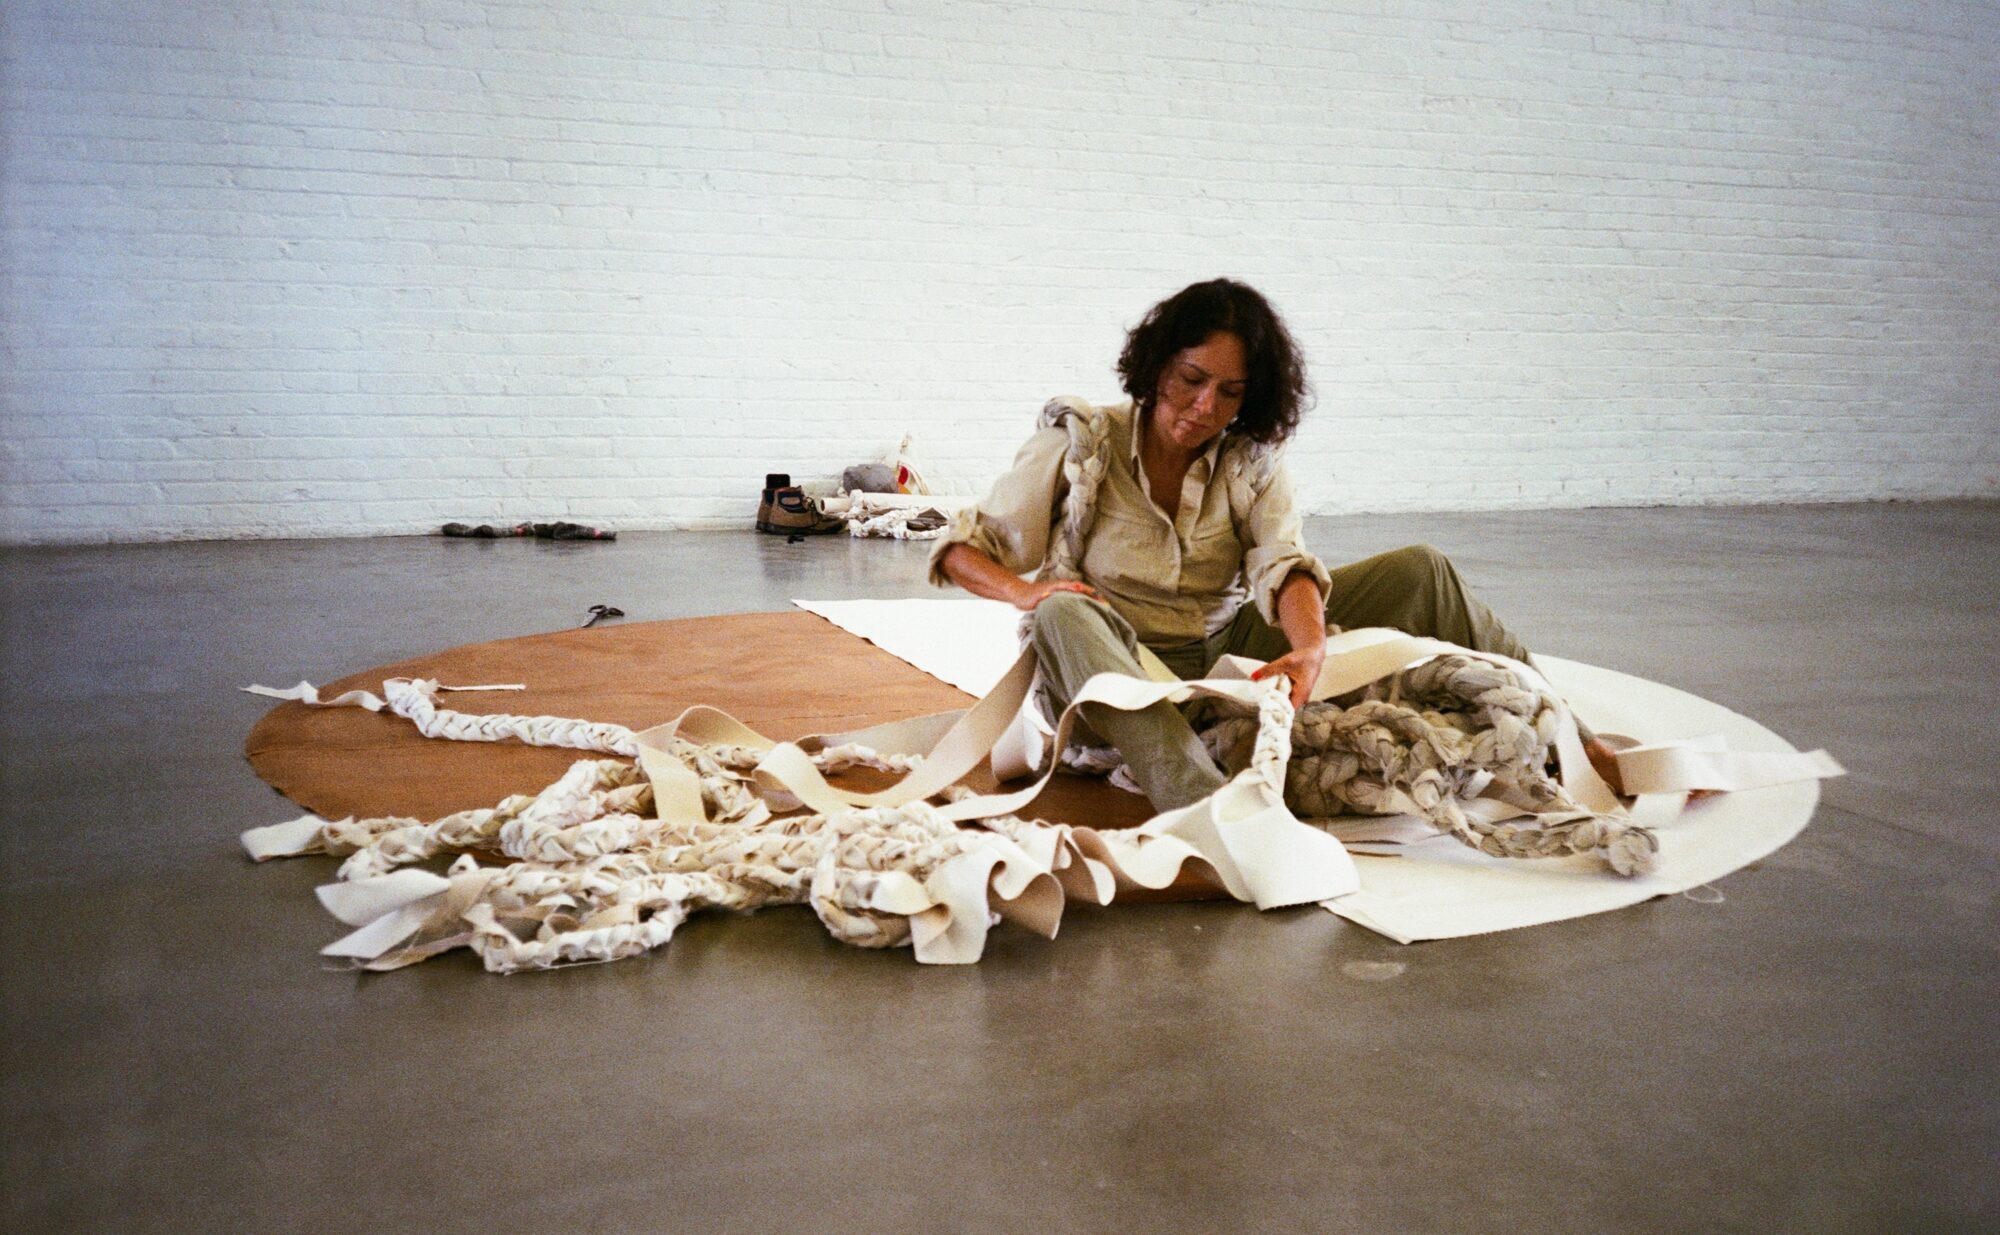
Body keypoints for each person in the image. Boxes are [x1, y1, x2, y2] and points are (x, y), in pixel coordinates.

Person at [930, 278, 1627, 810]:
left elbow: (1283, 564)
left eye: (1230, 393)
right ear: (1156, 366)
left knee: (1422, 570)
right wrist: (1026, 590)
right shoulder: (1081, 443)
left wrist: (1309, 646)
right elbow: (968, 544)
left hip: (1226, 654)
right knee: (1061, 613)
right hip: (1116, 667)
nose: (1205, 408)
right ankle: (1206, 805)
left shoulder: (1248, 461)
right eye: (1190, 381)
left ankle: (1574, 733)